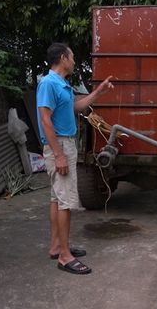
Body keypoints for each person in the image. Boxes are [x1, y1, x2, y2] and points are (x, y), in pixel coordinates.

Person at [37, 42, 113, 275]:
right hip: (59, 145)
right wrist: (58, 154)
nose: (73, 60)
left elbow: (76, 107)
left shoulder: (61, 84)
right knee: (66, 202)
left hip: (63, 144)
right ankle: (64, 256)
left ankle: (56, 247)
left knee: (56, 198)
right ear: (62, 58)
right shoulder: (49, 83)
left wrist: (98, 92)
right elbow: (45, 119)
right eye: (71, 57)